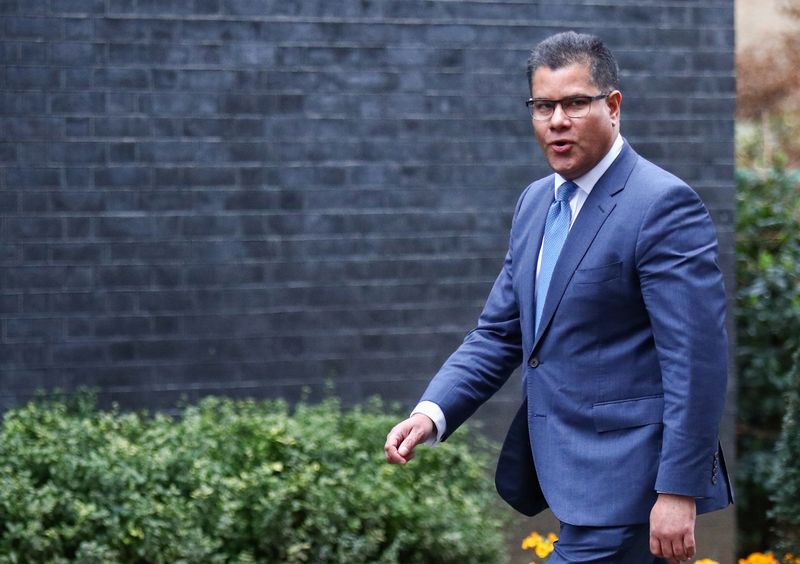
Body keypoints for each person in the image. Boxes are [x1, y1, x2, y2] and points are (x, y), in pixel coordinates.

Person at [384, 31, 733, 563]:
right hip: (571, 481)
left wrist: (678, 490)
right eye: (543, 106)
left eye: (574, 103)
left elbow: (696, 361)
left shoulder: (661, 205)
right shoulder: (534, 204)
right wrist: (433, 412)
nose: (557, 121)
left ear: (613, 106)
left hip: (633, 490)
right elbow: (501, 332)